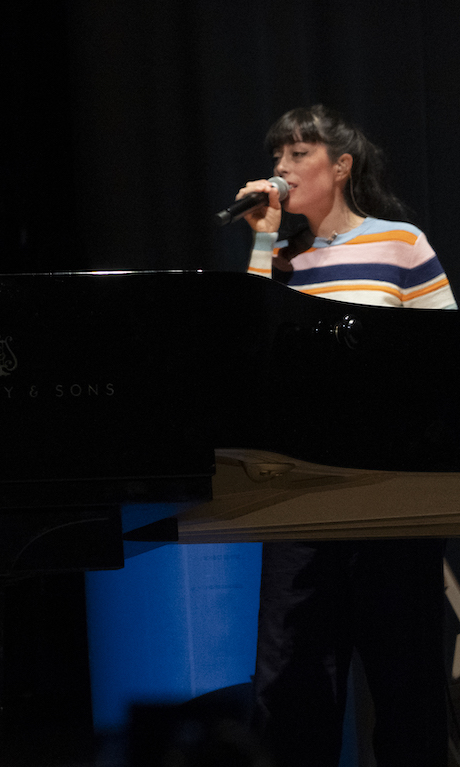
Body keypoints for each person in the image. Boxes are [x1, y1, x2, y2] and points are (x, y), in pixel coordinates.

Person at [235, 105, 454, 767]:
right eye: (276, 156)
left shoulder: (401, 243)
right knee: (292, 684)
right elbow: (249, 348)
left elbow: (445, 357)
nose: (281, 167)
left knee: (406, 681)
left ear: (341, 166)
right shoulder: (282, 258)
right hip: (299, 498)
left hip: (390, 492)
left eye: (298, 153)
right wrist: (262, 242)